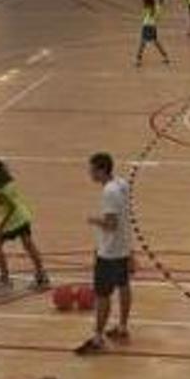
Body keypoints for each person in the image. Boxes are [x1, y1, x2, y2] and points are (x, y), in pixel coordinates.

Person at [75, 152, 133, 355]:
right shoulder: (122, 183)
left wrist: (94, 221)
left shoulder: (109, 192)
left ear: (101, 170)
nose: (89, 173)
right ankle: (122, 327)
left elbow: (111, 224)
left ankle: (98, 338)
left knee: (102, 296)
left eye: (91, 169)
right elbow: (125, 218)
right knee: (124, 286)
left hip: (109, 253)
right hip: (123, 248)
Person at [0, 159, 49, 292]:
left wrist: (0, 227)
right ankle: (42, 276)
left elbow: (10, 208)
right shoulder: (7, 182)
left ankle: (5, 280)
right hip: (23, 217)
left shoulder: (1, 192)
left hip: (12, 221)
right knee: (28, 245)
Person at [135, 0, 169, 67]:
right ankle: (165, 56)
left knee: (144, 43)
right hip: (149, 26)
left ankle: (138, 59)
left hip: (148, 27)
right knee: (153, 42)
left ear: (149, 3)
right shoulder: (152, 9)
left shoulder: (154, 9)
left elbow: (153, 17)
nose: (143, 5)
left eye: (145, 3)